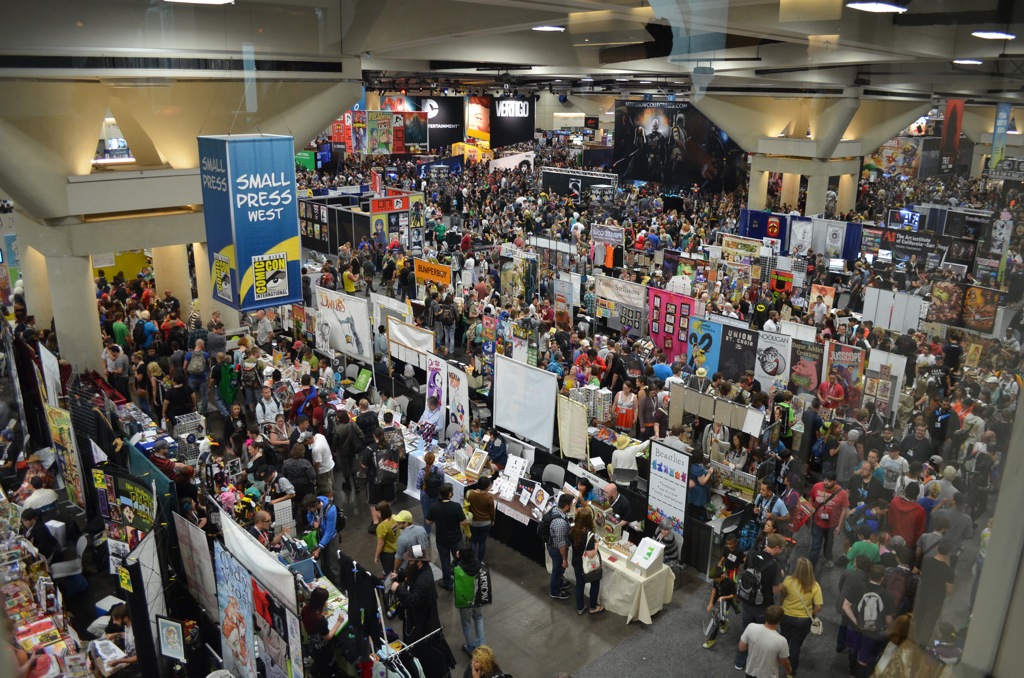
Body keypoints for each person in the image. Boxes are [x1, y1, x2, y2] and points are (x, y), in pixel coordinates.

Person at [734, 533, 786, 671]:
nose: (781, 551)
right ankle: (755, 662)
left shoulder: (752, 554)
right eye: (781, 549)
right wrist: (781, 580)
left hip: (746, 598)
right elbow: (775, 590)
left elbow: (745, 570)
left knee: (745, 629)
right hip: (762, 605)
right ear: (776, 548)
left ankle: (739, 661)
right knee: (760, 635)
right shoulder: (774, 565)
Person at [842, 564, 894, 677]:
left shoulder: (858, 587)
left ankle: (851, 672)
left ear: (869, 575)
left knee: (853, 650)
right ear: (882, 578)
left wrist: (856, 622)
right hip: (872, 633)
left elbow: (845, 606)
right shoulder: (887, 596)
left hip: (855, 628)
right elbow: (889, 620)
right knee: (863, 660)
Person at [778, 557, 823, 676]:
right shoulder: (815, 586)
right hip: (803, 620)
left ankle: (779, 660)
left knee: (784, 639)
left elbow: (782, 593)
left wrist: (782, 605)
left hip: (786, 615)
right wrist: (812, 614)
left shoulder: (788, 581)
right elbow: (818, 606)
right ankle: (790, 672)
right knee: (795, 645)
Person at [391, 551, 442, 645]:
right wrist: (399, 576)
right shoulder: (422, 568)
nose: (409, 563)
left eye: (411, 561)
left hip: (422, 623)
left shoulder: (423, 582)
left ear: (419, 561)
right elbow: (410, 572)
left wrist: (398, 589)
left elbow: (413, 600)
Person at [426, 482, 468, 591]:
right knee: (459, 560)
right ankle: (461, 581)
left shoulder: (434, 506)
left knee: (445, 562)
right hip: (456, 539)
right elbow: (464, 522)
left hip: (442, 539)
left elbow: (428, 521)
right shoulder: (456, 506)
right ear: (450, 494)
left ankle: (447, 582)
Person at [807, 472, 850, 568]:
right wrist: (808, 516)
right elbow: (811, 499)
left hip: (832, 525)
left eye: (829, 481)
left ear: (834, 481)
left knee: (829, 544)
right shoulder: (816, 486)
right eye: (825, 480)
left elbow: (844, 509)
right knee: (815, 545)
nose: (826, 482)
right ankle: (810, 567)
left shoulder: (842, 493)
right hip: (817, 522)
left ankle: (828, 557)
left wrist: (839, 526)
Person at [737, 604, 791, 678]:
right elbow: (784, 661)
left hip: (750, 671)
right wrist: (788, 670)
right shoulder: (781, 641)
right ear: (779, 621)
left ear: (765, 616)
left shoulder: (751, 627)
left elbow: (741, 647)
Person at [300, 587, 343, 677]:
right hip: (323, 649)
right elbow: (327, 637)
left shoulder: (306, 609)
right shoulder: (320, 620)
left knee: (317, 662)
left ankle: (312, 674)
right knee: (325, 667)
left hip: (312, 644)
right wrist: (339, 622)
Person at [452, 544, 486, 657]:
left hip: (465, 600)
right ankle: (481, 646)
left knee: (466, 624)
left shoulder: (459, 568)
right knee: (478, 618)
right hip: (478, 598)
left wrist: (456, 559)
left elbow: (450, 570)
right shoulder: (480, 564)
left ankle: (470, 648)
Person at [569, 506, 604, 615]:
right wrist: (596, 545)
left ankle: (580, 608)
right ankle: (593, 607)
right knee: (595, 583)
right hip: (587, 565)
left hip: (576, 561)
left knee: (580, 584)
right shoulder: (589, 534)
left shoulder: (572, 530)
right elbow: (591, 554)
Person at [303, 494, 341, 584]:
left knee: (333, 565)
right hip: (320, 536)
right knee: (324, 563)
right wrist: (313, 523)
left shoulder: (331, 510)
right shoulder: (313, 505)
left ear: (314, 505)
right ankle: (327, 583)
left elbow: (329, 532)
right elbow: (309, 516)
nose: (309, 511)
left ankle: (338, 586)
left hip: (330, 539)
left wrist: (319, 548)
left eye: (310, 509)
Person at [703, 565, 739, 649]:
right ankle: (723, 623)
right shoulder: (716, 579)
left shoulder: (730, 582)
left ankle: (711, 640)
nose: (715, 581)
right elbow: (714, 589)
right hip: (718, 599)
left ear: (722, 576)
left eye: (716, 579)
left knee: (717, 619)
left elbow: (734, 595)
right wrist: (711, 602)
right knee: (717, 616)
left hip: (726, 601)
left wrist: (723, 597)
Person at [546, 494, 573, 601]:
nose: (572, 506)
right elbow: (561, 545)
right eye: (571, 505)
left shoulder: (555, 509)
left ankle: (559, 583)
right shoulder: (560, 523)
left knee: (559, 570)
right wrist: (565, 560)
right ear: (566, 506)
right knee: (557, 570)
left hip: (552, 544)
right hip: (556, 549)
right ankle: (555, 591)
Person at [888, 482, 927, 551]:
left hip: (894, 539)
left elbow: (890, 520)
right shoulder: (920, 510)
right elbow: (919, 531)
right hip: (909, 545)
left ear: (905, 491)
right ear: (917, 495)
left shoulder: (894, 502)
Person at [466, 475, 496, 562]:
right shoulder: (489, 497)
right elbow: (492, 511)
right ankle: (479, 561)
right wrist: (493, 520)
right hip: (485, 523)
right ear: (486, 487)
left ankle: (472, 560)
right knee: (482, 542)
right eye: (490, 485)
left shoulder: (470, 493)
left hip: (473, 522)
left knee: (473, 541)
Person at [417, 451, 445, 537]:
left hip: (425, 495)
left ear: (425, 460)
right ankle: (440, 533)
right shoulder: (439, 470)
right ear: (434, 460)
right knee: (438, 514)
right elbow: (442, 483)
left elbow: (417, 486)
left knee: (426, 515)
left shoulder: (421, 472)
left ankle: (427, 533)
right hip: (436, 495)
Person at [301, 429, 335, 500]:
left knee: (326, 488)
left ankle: (329, 502)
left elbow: (317, 463)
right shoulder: (319, 435)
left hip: (323, 470)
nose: (304, 444)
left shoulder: (316, 449)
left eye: (304, 442)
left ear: (308, 440)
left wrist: (313, 471)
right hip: (330, 463)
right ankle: (330, 497)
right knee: (330, 484)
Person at [374, 500, 399, 575]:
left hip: (387, 553)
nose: (376, 514)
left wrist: (376, 556)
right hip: (397, 548)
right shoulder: (394, 518)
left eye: (378, 512)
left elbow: (380, 544)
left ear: (382, 512)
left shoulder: (382, 526)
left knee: (390, 573)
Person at [687, 451, 714, 520]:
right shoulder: (699, 469)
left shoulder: (689, 464)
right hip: (698, 495)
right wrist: (709, 473)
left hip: (690, 492)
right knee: (697, 513)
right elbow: (702, 482)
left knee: (690, 511)